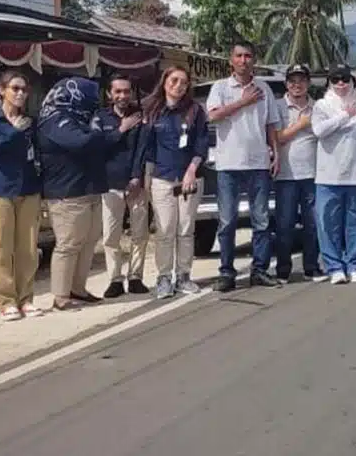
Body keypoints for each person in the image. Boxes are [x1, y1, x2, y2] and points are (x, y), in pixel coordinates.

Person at [206, 40, 282, 292]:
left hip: (258, 163)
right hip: (228, 164)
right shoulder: (220, 88)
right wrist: (243, 102)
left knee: (260, 221)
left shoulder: (264, 89)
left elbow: (271, 124)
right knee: (227, 221)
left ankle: (259, 270)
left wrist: (276, 152)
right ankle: (226, 272)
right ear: (231, 60)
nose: (243, 60)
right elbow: (214, 115)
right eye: (238, 56)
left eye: (248, 55)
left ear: (254, 60)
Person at [37, 77, 109, 310]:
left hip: (89, 188)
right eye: (91, 97)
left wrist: (96, 132)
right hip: (67, 192)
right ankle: (60, 296)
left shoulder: (82, 118)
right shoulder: (55, 119)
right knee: (68, 244)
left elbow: (97, 143)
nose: (95, 103)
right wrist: (97, 131)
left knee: (88, 243)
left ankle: (77, 289)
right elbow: (82, 143)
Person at [0, 70, 44, 321]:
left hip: (28, 189)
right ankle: (6, 301)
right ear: (1, 91)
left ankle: (26, 298)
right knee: (0, 248)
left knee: (27, 248)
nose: (20, 93)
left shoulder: (31, 122)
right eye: (14, 88)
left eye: (24, 89)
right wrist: (13, 132)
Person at [140, 67, 208, 298]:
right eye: (174, 80)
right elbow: (147, 149)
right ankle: (163, 277)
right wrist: (146, 180)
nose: (178, 85)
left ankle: (184, 276)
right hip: (162, 178)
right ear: (165, 81)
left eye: (183, 82)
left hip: (189, 178)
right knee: (165, 229)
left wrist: (191, 170)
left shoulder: (195, 111)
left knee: (186, 229)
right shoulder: (152, 110)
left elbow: (201, 144)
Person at [311, 65, 356, 284]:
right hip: (327, 177)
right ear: (329, 82)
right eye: (336, 80)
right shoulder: (322, 106)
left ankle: (355, 265)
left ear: (351, 81)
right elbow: (319, 131)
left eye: (344, 79)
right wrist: (344, 115)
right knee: (327, 224)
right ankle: (334, 267)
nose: (341, 84)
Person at [94, 75, 149, 298]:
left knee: (140, 233)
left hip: (136, 184)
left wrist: (137, 177)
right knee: (110, 236)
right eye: (118, 92)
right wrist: (121, 129)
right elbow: (98, 146)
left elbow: (142, 149)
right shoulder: (100, 117)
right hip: (110, 184)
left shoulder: (140, 117)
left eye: (126, 91)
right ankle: (114, 279)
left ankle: (135, 277)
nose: (123, 96)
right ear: (109, 94)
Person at [273, 64, 326, 283]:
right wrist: (301, 124)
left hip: (313, 174)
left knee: (312, 223)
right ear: (286, 84)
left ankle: (311, 267)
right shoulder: (277, 107)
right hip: (285, 175)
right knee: (284, 225)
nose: (297, 85)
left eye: (301, 80)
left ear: (308, 83)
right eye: (293, 81)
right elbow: (276, 138)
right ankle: (283, 270)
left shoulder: (318, 108)